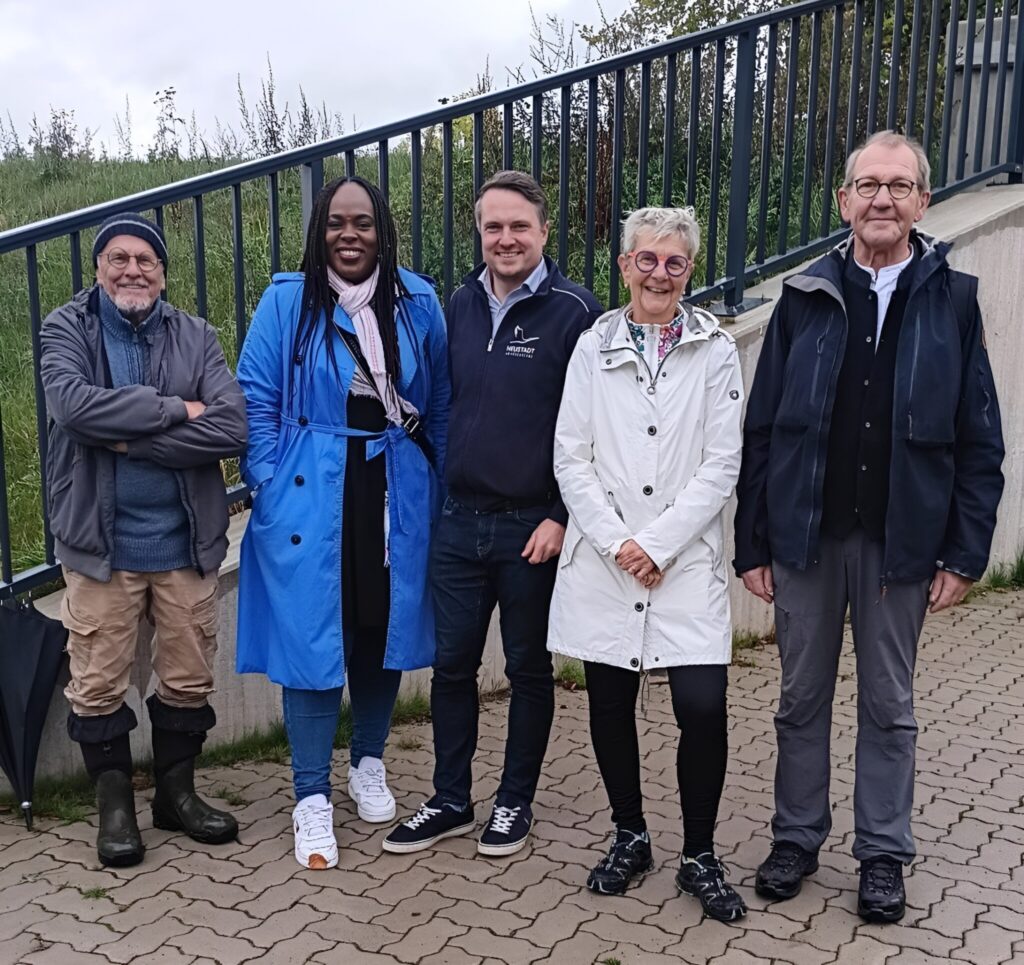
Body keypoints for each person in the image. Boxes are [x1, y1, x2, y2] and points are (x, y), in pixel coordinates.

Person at [734, 131, 1005, 923]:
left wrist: (964, 551)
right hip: (807, 537)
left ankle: (883, 851)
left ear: (923, 201)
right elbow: (763, 429)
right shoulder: (803, 297)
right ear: (844, 200)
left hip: (901, 545)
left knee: (890, 703)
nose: (882, 198)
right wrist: (754, 541)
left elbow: (979, 440)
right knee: (799, 698)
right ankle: (796, 836)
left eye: (899, 185)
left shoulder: (953, 300)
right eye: (868, 185)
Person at [384, 171, 602, 857]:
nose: (505, 239)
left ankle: (514, 801)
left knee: (527, 668)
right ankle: (451, 799)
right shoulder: (460, 302)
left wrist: (562, 515)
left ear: (544, 231)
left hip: (532, 525)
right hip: (458, 521)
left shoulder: (576, 312)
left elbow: (597, 428)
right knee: (451, 668)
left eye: (519, 226)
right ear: (479, 232)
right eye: (493, 227)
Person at [236, 176, 450, 871]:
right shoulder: (286, 301)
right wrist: (268, 482)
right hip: (310, 486)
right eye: (335, 222)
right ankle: (310, 795)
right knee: (313, 635)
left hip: (394, 484)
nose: (349, 234)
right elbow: (255, 398)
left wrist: (441, 486)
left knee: (380, 624)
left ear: (382, 229)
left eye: (362, 222)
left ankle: (367, 762)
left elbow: (439, 402)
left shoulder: (418, 301)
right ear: (319, 230)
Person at [547, 206, 747, 921]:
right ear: (625, 265)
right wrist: (618, 543)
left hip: (683, 561)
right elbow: (570, 456)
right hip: (607, 560)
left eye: (674, 262)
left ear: (689, 271)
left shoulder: (715, 349)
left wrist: (657, 544)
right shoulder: (592, 346)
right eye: (647, 259)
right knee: (609, 702)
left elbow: (722, 462)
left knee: (702, 706)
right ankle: (629, 834)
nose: (660, 273)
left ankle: (700, 854)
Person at [40, 212, 247, 867]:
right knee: (97, 683)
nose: (133, 270)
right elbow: (74, 408)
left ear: (162, 272)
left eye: (145, 260)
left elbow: (231, 426)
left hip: (184, 540)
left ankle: (176, 795)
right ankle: (116, 808)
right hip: (101, 545)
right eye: (119, 259)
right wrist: (174, 410)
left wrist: (131, 440)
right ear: (99, 268)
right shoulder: (66, 328)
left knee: (188, 676)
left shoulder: (196, 335)